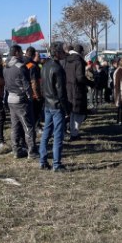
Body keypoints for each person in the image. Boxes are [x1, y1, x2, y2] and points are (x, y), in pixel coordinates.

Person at [40, 42, 71, 171]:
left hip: (47, 103)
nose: (65, 53)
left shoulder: (45, 66)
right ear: (57, 53)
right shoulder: (58, 69)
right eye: (63, 52)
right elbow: (61, 92)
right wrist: (67, 109)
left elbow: (43, 87)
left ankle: (42, 161)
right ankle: (56, 164)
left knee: (46, 133)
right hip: (56, 105)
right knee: (58, 135)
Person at [3, 45, 38, 158]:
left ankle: (16, 149)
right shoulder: (20, 67)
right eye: (21, 52)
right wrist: (30, 97)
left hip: (10, 98)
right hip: (21, 99)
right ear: (17, 52)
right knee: (28, 126)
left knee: (15, 126)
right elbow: (26, 85)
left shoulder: (6, 67)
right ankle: (32, 152)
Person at [65, 44, 92, 141]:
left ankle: (72, 131)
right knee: (79, 113)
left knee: (73, 112)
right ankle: (74, 134)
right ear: (81, 52)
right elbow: (80, 77)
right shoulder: (79, 61)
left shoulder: (67, 60)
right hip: (78, 90)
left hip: (69, 89)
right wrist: (90, 83)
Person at [25, 47, 42, 130]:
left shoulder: (24, 63)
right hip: (33, 93)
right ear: (34, 55)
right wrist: (37, 95)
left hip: (25, 92)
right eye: (38, 56)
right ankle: (35, 126)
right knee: (35, 111)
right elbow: (34, 82)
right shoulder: (32, 66)